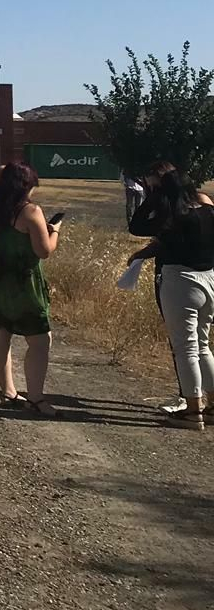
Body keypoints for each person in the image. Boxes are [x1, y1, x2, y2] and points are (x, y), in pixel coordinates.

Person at [128, 162, 214, 426]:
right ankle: (212, 406)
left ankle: (192, 411)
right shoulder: (209, 211)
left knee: (185, 348)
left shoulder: (172, 218)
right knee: (202, 345)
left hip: (180, 282)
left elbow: (137, 225)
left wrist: (152, 196)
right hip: (210, 278)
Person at [0, 162, 62, 417]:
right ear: (25, 187)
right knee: (39, 340)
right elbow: (43, 251)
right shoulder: (29, 211)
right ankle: (35, 397)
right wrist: (55, 231)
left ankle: (7, 391)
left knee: (0, 335)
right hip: (23, 283)